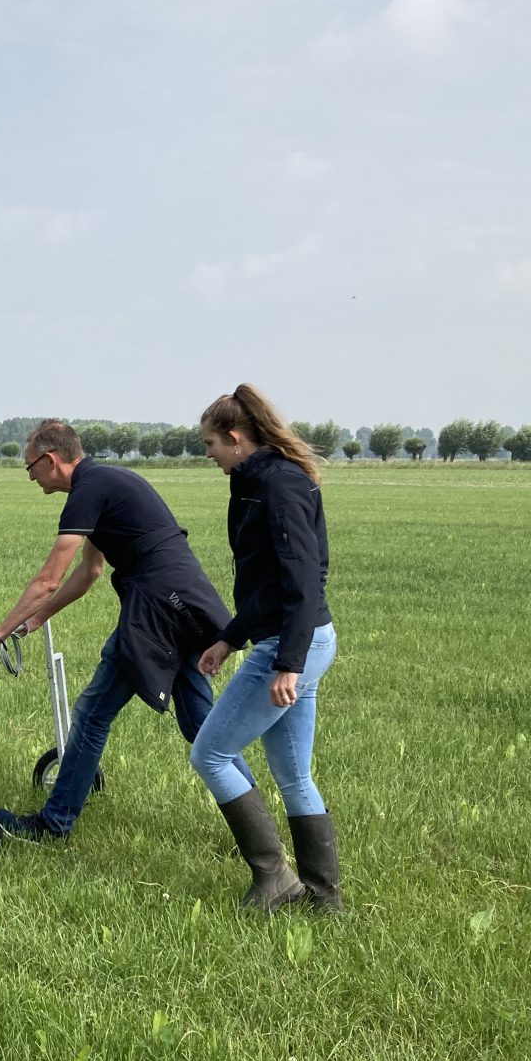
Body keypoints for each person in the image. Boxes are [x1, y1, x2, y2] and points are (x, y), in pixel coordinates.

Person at [0, 419, 252, 841]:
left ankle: (53, 825)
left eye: (30, 467)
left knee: (92, 714)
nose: (31, 477)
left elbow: (49, 579)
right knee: (203, 727)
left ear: (50, 460)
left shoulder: (89, 490)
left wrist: (0, 630)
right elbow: (89, 573)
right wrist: (36, 620)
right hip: (186, 604)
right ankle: (260, 834)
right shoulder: (104, 483)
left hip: (156, 611)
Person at [190, 384, 341, 913]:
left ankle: (275, 878)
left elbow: (303, 578)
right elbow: (265, 583)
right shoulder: (258, 481)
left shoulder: (278, 487)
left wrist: (287, 664)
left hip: (290, 643)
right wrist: (230, 637)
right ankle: (323, 898)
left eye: (210, 443)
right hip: (297, 638)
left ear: (235, 438)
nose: (208, 454)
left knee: (210, 753)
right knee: (294, 775)